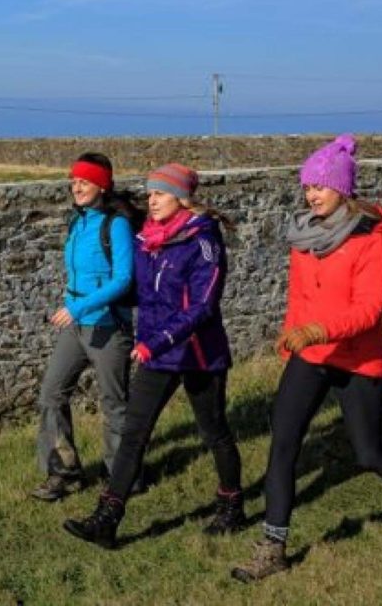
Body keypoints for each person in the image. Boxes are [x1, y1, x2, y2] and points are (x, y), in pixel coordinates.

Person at [233, 134, 382, 583]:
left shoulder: (370, 237)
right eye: (306, 186)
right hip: (311, 352)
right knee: (283, 443)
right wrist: (292, 334)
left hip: (358, 359)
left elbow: (369, 309)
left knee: (368, 453)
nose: (311, 194)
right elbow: (302, 296)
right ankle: (273, 548)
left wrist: (318, 330)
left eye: (320, 186)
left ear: (342, 188)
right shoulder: (304, 234)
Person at [64, 162, 245, 547]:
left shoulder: (204, 242)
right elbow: (140, 293)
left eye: (160, 193)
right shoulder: (149, 239)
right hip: (156, 353)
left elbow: (203, 306)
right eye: (149, 193)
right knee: (133, 434)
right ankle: (107, 520)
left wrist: (156, 341)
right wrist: (90, 302)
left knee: (214, 432)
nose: (152, 200)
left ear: (181, 198)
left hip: (198, 353)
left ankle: (232, 504)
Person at [32, 153, 139, 501]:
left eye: (84, 182)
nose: (76, 187)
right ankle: (62, 472)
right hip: (77, 327)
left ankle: (123, 479)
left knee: (114, 403)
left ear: (102, 186)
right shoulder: (76, 222)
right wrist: (73, 306)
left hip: (109, 326)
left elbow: (123, 279)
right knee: (51, 393)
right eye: (74, 181)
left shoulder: (116, 224)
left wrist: (77, 306)